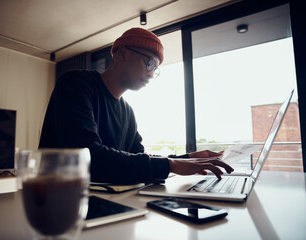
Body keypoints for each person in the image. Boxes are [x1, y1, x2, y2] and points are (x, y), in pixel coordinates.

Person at [39, 27, 234, 184]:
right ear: (122, 54)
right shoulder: (76, 84)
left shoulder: (128, 112)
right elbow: (87, 157)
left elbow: (138, 158)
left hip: (102, 198)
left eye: (155, 69)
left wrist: (188, 157)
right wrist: (172, 165)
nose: (151, 74)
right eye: (149, 63)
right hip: (56, 197)